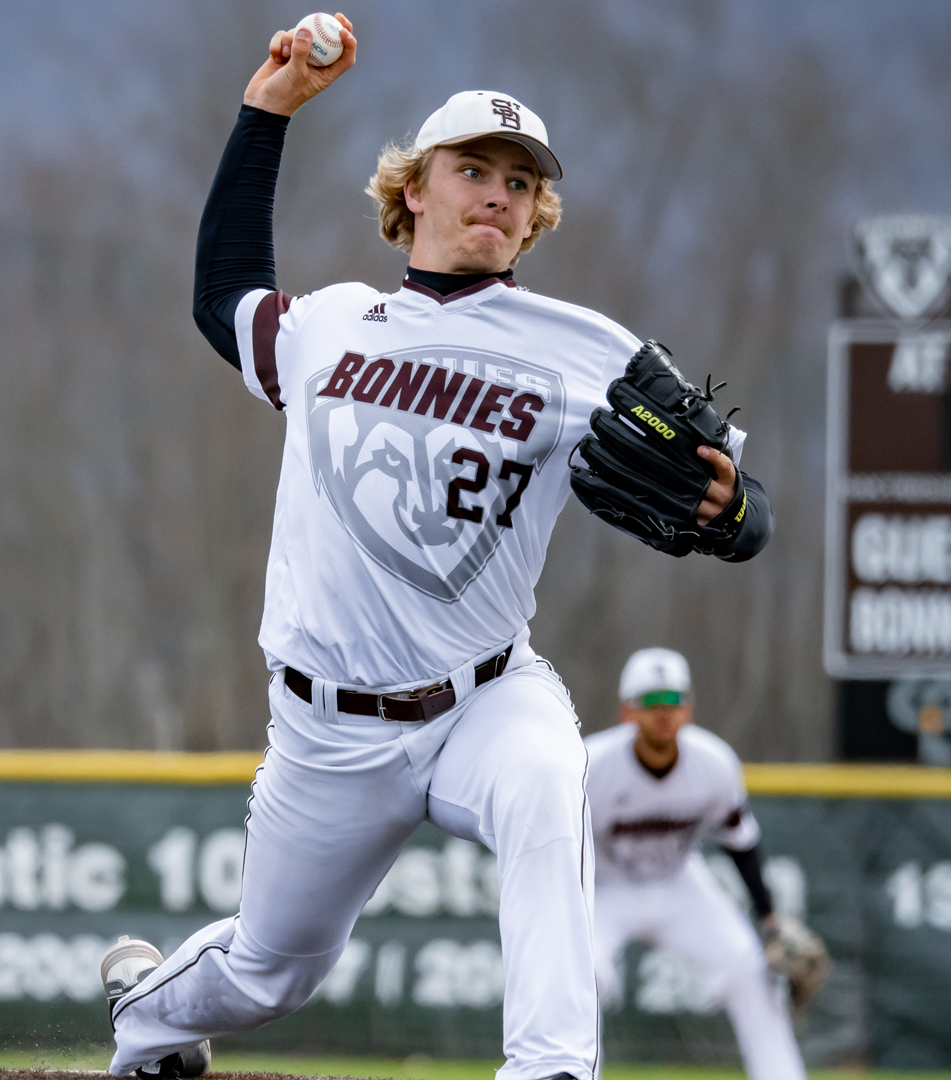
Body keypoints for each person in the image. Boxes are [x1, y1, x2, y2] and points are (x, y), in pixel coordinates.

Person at [101, 17, 772, 1080]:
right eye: (473, 169)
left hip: (484, 698)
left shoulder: (589, 351)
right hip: (327, 729)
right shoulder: (332, 324)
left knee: (552, 785)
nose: (497, 193)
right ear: (413, 188)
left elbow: (744, 506)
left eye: (519, 180)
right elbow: (219, 296)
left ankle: (550, 1067)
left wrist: (732, 514)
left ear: (536, 214)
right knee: (273, 971)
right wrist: (266, 111)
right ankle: (147, 1021)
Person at [583, 647, 807, 1080]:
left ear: (689, 708)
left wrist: (770, 918)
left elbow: (741, 843)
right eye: (650, 702)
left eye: (673, 701)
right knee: (581, 977)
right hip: (604, 886)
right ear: (627, 711)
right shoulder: (590, 765)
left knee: (749, 968)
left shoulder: (714, 763)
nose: (663, 713)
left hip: (678, 882)